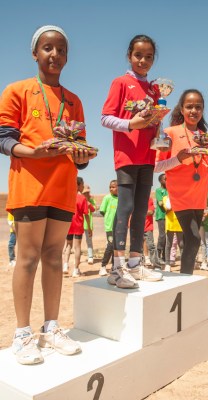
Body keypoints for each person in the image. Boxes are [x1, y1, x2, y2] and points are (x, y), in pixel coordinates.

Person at [0, 25, 95, 365]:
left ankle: (51, 327)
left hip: (63, 187)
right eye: (48, 48)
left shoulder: (74, 101)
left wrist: (82, 158)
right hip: (29, 183)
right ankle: (22, 333)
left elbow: (77, 148)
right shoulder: (17, 91)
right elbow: (4, 138)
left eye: (61, 50)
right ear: (35, 53)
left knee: (54, 257)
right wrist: (32, 153)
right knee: (27, 258)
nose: (55, 55)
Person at [101, 34, 163, 288]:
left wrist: (158, 125)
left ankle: (136, 264)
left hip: (148, 155)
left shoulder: (155, 89)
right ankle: (117, 269)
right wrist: (130, 124)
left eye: (149, 56)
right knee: (125, 209)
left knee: (141, 210)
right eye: (139, 55)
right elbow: (105, 118)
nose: (143, 60)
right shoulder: (121, 82)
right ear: (129, 55)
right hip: (126, 156)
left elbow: (155, 118)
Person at [155, 89, 208, 274]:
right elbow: (156, 166)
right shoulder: (169, 133)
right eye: (189, 106)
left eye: (198, 107)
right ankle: (184, 281)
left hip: (199, 197)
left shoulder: (205, 137)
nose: (194, 110)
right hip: (180, 195)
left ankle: (185, 281)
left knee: (190, 242)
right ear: (181, 109)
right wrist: (178, 159)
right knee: (193, 239)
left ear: (203, 110)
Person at [62, 176, 92, 277]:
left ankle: (65, 265)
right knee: (77, 247)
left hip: (68, 224)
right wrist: (89, 227)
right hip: (78, 224)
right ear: (78, 185)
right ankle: (76, 270)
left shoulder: (67, 196)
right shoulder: (82, 198)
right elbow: (86, 214)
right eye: (82, 184)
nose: (83, 186)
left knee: (68, 245)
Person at [99, 180, 119, 276]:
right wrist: (108, 219)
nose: (111, 188)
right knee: (110, 246)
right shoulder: (107, 198)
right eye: (110, 187)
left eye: (113, 187)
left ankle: (114, 267)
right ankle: (103, 266)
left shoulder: (121, 199)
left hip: (119, 227)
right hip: (110, 227)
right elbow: (102, 211)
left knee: (117, 247)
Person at [163, 195, 184, 272]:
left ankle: (183, 263)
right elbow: (167, 209)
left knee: (181, 244)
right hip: (170, 223)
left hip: (179, 223)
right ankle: (167, 264)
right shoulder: (166, 198)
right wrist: (171, 200)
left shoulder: (181, 197)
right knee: (168, 244)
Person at [143, 197, 159, 268]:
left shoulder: (149, 199)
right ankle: (142, 264)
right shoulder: (133, 199)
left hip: (147, 226)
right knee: (137, 248)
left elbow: (151, 212)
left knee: (151, 245)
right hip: (137, 227)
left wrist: (139, 212)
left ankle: (155, 264)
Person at [155, 173, 167, 264]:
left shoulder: (170, 190)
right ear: (160, 181)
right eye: (165, 179)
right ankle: (158, 254)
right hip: (161, 216)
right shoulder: (159, 191)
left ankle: (165, 256)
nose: (167, 181)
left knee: (168, 237)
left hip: (170, 217)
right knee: (162, 235)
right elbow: (160, 203)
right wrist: (168, 206)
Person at [82, 184, 96, 265]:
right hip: (79, 224)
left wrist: (88, 203)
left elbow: (94, 209)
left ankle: (90, 257)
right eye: (85, 193)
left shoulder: (91, 201)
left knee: (89, 241)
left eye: (88, 192)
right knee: (77, 242)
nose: (87, 194)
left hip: (88, 225)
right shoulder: (80, 200)